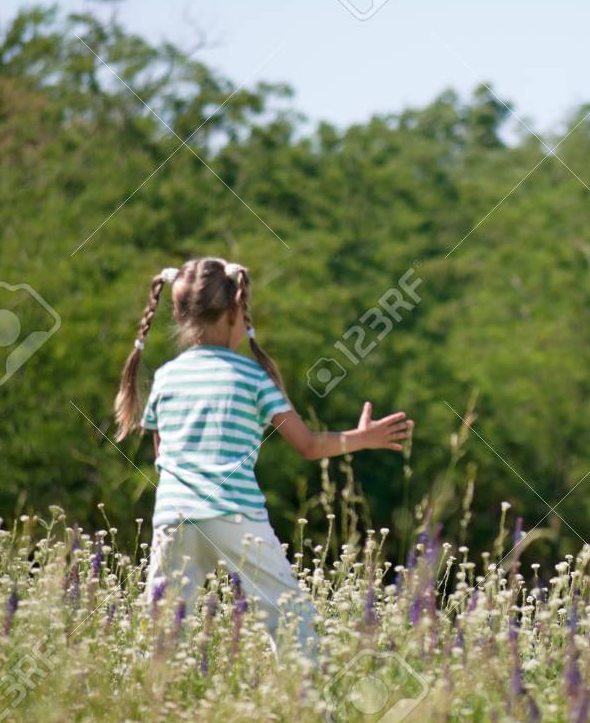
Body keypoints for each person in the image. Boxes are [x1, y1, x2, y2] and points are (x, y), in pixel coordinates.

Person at [112, 257, 413, 663]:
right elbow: (307, 446)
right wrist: (361, 438)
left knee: (164, 629)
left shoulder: (166, 376)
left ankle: (152, 704)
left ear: (179, 313)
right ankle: (306, 706)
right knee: (289, 619)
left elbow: (162, 454)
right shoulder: (255, 378)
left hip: (174, 515)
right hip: (236, 514)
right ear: (237, 310)